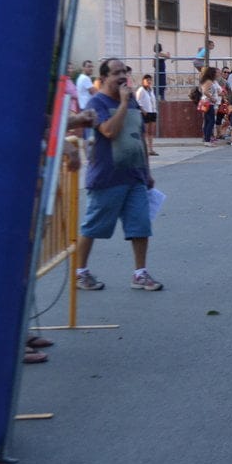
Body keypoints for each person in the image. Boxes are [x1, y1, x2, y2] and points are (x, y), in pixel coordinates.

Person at [73, 58, 162, 291]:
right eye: (116, 73)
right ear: (103, 79)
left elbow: (139, 137)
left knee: (141, 226)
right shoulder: (96, 102)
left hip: (135, 177)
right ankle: (80, 272)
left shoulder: (132, 102)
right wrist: (123, 103)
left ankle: (140, 273)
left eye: (124, 71)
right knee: (93, 226)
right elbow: (109, 131)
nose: (122, 76)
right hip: (106, 177)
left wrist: (147, 171)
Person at [135, 74, 159, 156]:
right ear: (143, 81)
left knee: (151, 132)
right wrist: (142, 110)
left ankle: (151, 149)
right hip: (145, 112)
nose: (149, 81)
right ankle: (143, 149)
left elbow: (153, 101)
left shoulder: (151, 90)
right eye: (147, 80)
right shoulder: (141, 90)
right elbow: (137, 102)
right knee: (144, 132)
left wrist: (155, 110)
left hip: (152, 112)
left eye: (150, 80)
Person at [199, 66, 222, 145]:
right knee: (210, 121)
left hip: (208, 103)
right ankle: (207, 140)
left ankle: (206, 139)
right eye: (215, 72)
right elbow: (205, 91)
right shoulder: (208, 81)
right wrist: (212, 98)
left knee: (207, 121)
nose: (216, 74)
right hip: (208, 103)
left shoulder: (209, 81)